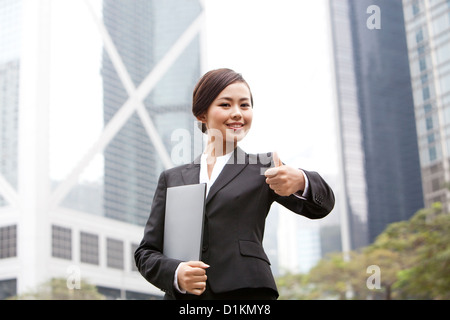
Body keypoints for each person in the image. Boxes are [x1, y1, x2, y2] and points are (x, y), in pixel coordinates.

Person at [134, 68, 335, 300]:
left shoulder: (264, 166)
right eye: (226, 105)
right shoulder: (172, 179)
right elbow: (146, 252)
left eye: (245, 105)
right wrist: (176, 273)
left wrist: (301, 180)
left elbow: (323, 206)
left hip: (247, 293)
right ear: (201, 114)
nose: (238, 113)